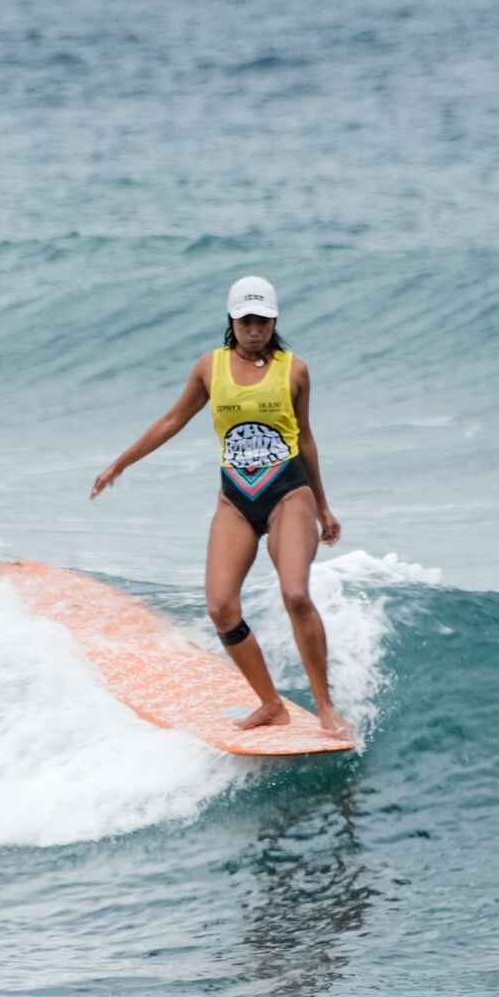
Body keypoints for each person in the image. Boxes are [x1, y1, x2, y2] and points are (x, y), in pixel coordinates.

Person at [90, 276, 350, 738]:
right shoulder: (210, 369)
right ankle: (271, 704)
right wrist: (120, 463)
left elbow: (306, 438)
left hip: (289, 495)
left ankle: (326, 708)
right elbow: (172, 419)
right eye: (246, 320)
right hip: (236, 500)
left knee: (295, 594)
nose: (254, 329)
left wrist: (323, 508)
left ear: (274, 321)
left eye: (263, 321)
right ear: (232, 320)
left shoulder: (294, 371)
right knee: (220, 606)